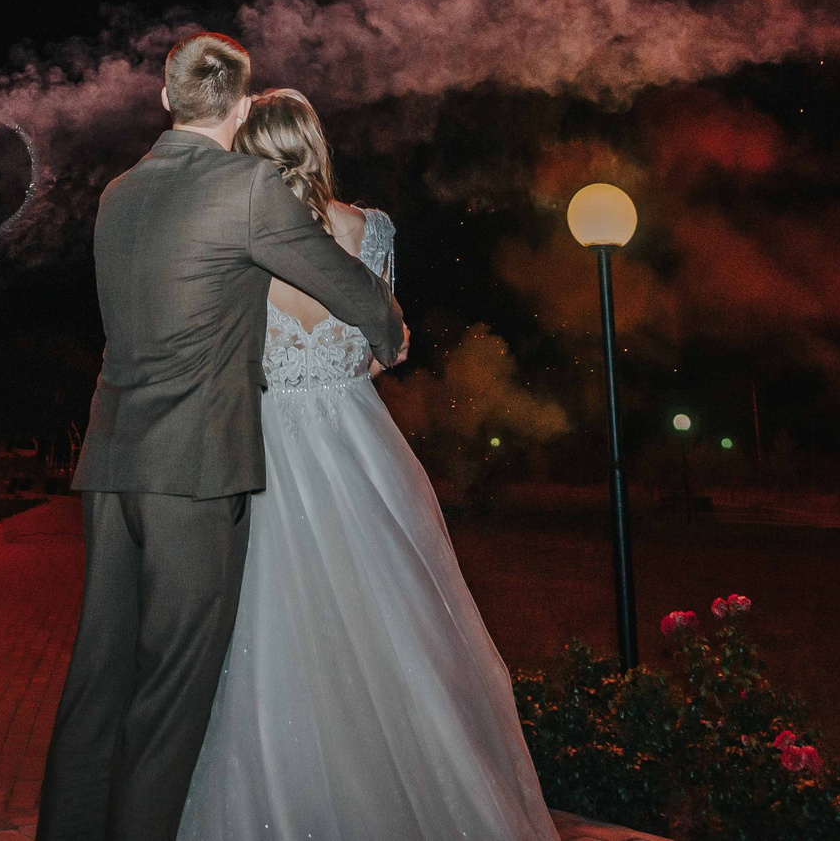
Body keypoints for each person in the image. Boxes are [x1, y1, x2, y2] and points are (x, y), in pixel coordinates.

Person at [36, 36, 409, 841]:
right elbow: (342, 282)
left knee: (97, 680)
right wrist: (390, 329)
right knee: (169, 699)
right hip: (195, 476)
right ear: (241, 107)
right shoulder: (247, 187)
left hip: (110, 467)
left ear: (166, 100)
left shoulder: (117, 192)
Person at [174, 87, 561, 841]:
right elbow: (377, 351)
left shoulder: (238, 238)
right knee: (394, 633)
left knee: (273, 636)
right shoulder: (371, 228)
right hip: (359, 444)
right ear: (316, 140)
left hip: (270, 452)